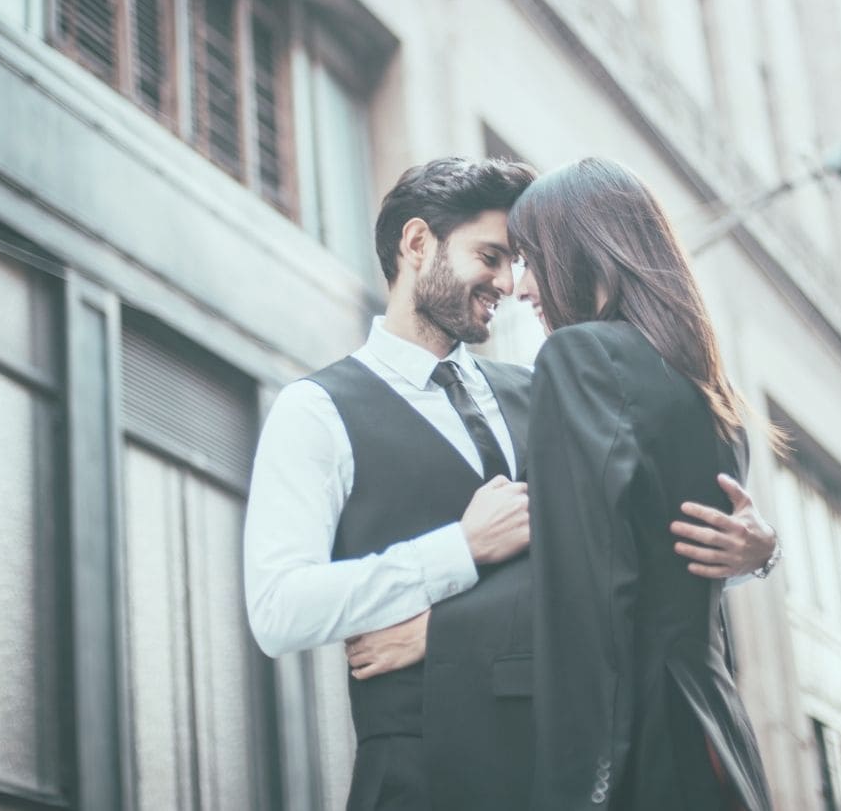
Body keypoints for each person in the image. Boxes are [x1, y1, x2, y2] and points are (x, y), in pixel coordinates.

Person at [243, 157, 778, 811]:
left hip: (577, 764)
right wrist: (459, 548)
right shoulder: (317, 410)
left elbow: (615, 569)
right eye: (491, 255)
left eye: (519, 259)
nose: (509, 281)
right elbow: (278, 610)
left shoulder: (555, 386)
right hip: (426, 776)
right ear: (417, 245)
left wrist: (757, 556)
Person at [511, 157, 775, 811]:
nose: (520, 287)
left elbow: (587, 599)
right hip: (719, 735)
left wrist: (576, 787)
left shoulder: (579, 359)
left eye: (529, 259)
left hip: (638, 746)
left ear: (585, 254)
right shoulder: (716, 403)